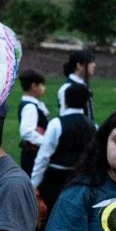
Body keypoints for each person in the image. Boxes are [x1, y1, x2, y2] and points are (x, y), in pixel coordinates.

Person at [30, 83, 95, 213]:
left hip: (55, 179)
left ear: (64, 100)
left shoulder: (56, 123)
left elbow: (43, 157)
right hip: (81, 178)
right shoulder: (93, 126)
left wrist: (33, 184)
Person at [17, 68, 49, 177]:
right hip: (33, 155)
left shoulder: (33, 105)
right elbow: (26, 132)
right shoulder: (30, 107)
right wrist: (47, 142)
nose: (44, 88)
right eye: (42, 85)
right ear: (34, 86)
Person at [57, 50, 95, 121]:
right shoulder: (67, 88)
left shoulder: (84, 86)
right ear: (79, 65)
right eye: (90, 62)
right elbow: (64, 117)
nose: (94, 65)